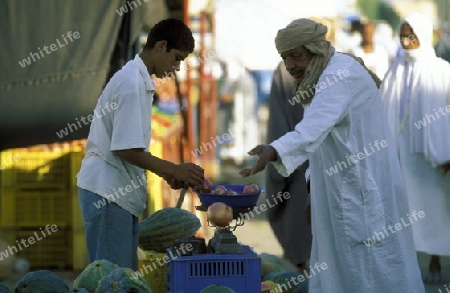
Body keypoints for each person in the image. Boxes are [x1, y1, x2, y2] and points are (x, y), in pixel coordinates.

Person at [239, 18, 425, 292]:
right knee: (343, 270)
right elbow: (323, 142)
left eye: (296, 56)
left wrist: (275, 149)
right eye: (284, 58)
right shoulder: (323, 75)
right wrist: (314, 193)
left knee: (371, 271)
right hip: (340, 190)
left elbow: (312, 129)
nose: (289, 66)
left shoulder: (340, 76)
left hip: (360, 191)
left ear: (315, 50)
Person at [76, 18, 205, 270]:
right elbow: (124, 148)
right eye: (176, 58)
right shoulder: (130, 83)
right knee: (112, 280)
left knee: (125, 277)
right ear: (161, 46)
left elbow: (130, 146)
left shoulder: (138, 80)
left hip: (117, 193)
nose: (177, 67)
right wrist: (172, 169)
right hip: (107, 193)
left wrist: (169, 173)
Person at [379, 12, 450, 284]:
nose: (406, 42)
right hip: (399, 149)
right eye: (402, 36)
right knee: (401, 208)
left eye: (412, 35)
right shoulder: (395, 68)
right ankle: (402, 266)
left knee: (434, 206)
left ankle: (435, 261)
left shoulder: (441, 69)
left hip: (431, 154)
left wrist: (447, 150)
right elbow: (382, 107)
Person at [266, 61, 312, 273]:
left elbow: (279, 124)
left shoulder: (285, 70)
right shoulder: (286, 70)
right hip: (301, 163)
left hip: (297, 161)